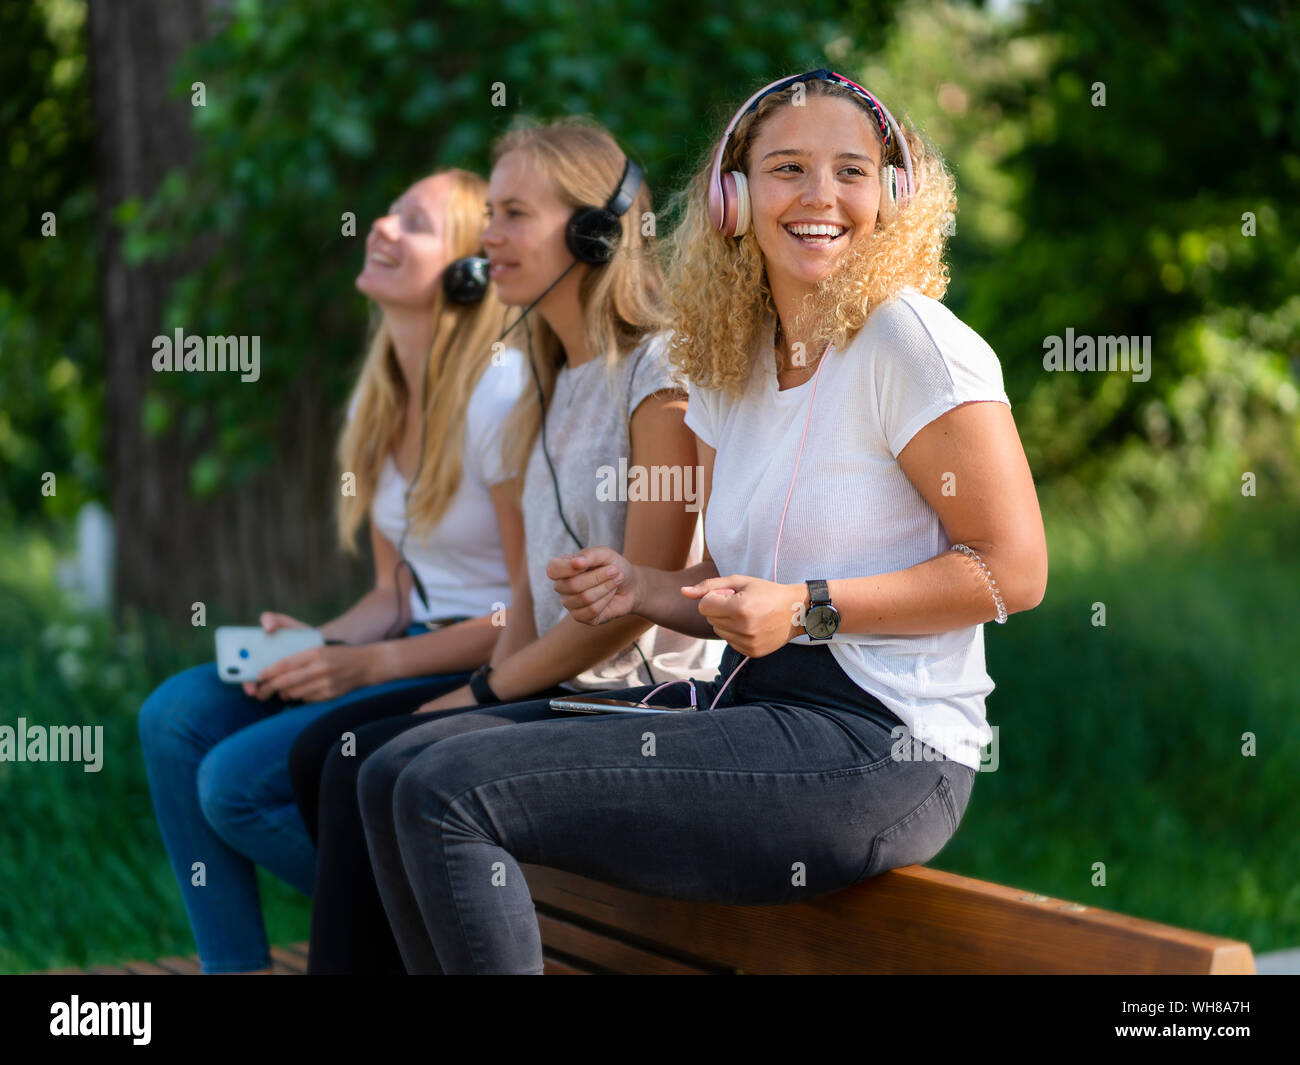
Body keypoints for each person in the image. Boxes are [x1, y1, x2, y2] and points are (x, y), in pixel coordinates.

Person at [357, 70, 1049, 974]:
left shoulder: (911, 340)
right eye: (787, 168)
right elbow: (720, 587)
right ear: (733, 198)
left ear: (891, 194)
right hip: (755, 710)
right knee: (390, 771)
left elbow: (1014, 571)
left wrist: (807, 608)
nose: (819, 197)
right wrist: (637, 585)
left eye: (851, 170)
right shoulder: (735, 359)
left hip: (885, 747)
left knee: (450, 791)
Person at [288, 117, 722, 973]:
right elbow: (528, 595)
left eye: (514, 213)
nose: (489, 238)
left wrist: (480, 690)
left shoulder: (659, 374)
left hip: (639, 701)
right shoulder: (549, 382)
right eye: (490, 213)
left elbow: (628, 610)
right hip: (557, 682)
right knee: (330, 754)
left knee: (371, 765)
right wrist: (480, 693)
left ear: (595, 230)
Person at [137, 167, 528, 973]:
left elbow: (526, 612)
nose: (381, 227)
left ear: (468, 271)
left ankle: (432, 926)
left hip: (486, 663)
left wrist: (371, 660)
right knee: (173, 717)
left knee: (233, 784)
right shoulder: (381, 398)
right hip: (403, 640)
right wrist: (318, 640)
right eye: (387, 212)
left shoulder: (502, 396)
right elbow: (395, 590)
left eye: (413, 223)